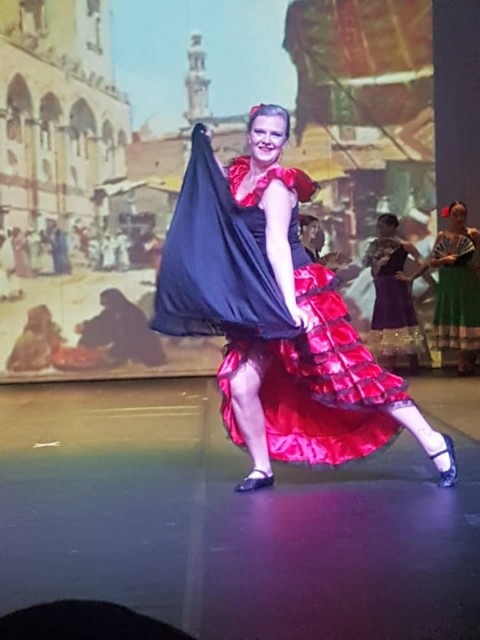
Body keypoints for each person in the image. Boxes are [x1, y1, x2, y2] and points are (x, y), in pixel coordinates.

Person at [151, 104, 457, 492]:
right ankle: (262, 468)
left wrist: (291, 307)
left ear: (285, 140)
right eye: (260, 131)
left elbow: (278, 247)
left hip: (295, 291)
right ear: (249, 133)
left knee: (350, 376)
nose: (266, 140)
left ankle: (433, 442)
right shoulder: (240, 174)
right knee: (241, 384)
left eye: (275, 134)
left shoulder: (278, 185)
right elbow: (213, 188)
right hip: (261, 294)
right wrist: (202, 143)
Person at [362, 213, 429, 374]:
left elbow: (424, 263)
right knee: (386, 320)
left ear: (392, 227)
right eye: (378, 227)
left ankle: (412, 363)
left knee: (402, 320)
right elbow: (371, 269)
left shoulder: (404, 245)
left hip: (397, 287)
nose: (379, 230)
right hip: (382, 287)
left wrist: (410, 277)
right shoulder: (375, 245)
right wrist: (377, 264)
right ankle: (390, 364)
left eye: (382, 227)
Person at [430, 201, 480, 375]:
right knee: (455, 315)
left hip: (468, 280)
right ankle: (462, 362)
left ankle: (467, 360)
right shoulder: (443, 236)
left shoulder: (473, 234)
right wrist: (445, 260)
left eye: (462, 215)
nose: (459, 218)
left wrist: (476, 267)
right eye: (455, 215)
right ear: (449, 215)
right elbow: (433, 262)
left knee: (469, 318)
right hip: (449, 281)